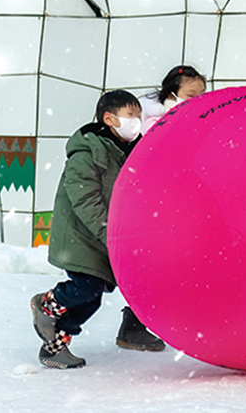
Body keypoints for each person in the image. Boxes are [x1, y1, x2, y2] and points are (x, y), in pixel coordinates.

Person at [30, 90, 165, 369]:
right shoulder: (87, 151)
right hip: (80, 234)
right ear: (109, 118)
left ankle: (53, 346)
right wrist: (109, 232)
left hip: (106, 237)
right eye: (131, 116)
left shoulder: (130, 150)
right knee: (87, 286)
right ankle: (46, 304)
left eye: (139, 116)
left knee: (92, 299)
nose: (137, 122)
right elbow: (84, 198)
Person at [139, 65, 207, 134]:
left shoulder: (207, 120)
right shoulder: (155, 124)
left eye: (203, 94)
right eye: (191, 96)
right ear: (171, 96)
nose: (198, 99)